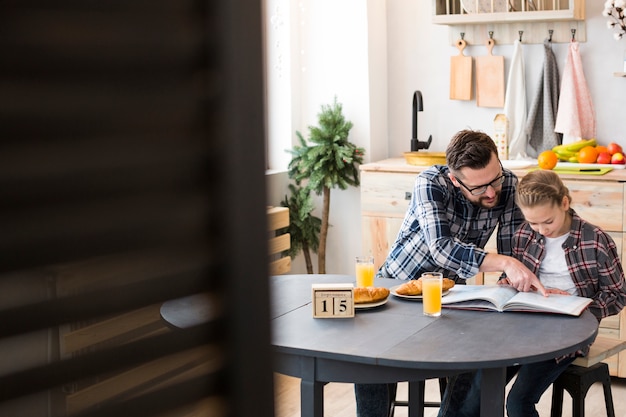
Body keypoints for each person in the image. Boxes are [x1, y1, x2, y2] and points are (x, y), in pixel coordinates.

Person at [355, 129, 547, 417]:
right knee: (370, 359)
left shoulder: (507, 184)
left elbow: (513, 252)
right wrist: (505, 263)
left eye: (495, 178)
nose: (492, 191)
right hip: (396, 287)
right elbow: (441, 248)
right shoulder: (430, 183)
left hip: (451, 295)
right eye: (480, 188)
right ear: (455, 180)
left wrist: (512, 284)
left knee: (475, 353)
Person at [498, 169, 626, 417]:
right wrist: (510, 284)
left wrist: (581, 306)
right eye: (533, 222)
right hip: (521, 325)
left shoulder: (596, 240)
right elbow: (510, 276)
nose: (541, 230)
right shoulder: (524, 235)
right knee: (475, 389)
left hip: (567, 332)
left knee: (517, 402)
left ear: (564, 203)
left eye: (548, 221)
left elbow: (618, 295)